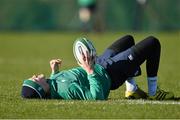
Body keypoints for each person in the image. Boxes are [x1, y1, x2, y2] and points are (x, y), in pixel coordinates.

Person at [21, 35, 174, 100]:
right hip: (109, 73)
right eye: (34, 79)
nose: (34, 76)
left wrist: (55, 71)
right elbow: (96, 97)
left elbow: (54, 82)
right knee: (153, 43)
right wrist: (89, 70)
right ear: (40, 89)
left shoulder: (52, 83)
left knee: (128, 39)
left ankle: (131, 89)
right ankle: (154, 92)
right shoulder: (66, 90)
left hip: (100, 63)